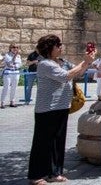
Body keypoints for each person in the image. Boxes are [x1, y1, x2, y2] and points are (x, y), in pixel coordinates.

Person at [27, 35, 95, 184]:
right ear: (49, 48)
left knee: (58, 141)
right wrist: (84, 62)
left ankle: (54, 172)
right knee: (42, 143)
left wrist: (87, 62)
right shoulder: (45, 64)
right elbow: (66, 76)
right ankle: (36, 175)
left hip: (62, 107)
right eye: (58, 45)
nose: (61, 47)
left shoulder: (62, 62)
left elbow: (78, 73)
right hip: (47, 109)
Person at [2, 44, 22, 108]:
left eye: (17, 47)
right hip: (8, 72)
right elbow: (10, 63)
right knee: (6, 87)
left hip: (16, 72)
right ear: (10, 48)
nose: (15, 48)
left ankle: (12, 101)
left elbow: (19, 64)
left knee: (14, 87)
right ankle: (2, 102)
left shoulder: (19, 56)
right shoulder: (7, 55)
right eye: (14, 47)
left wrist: (16, 64)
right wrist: (15, 57)